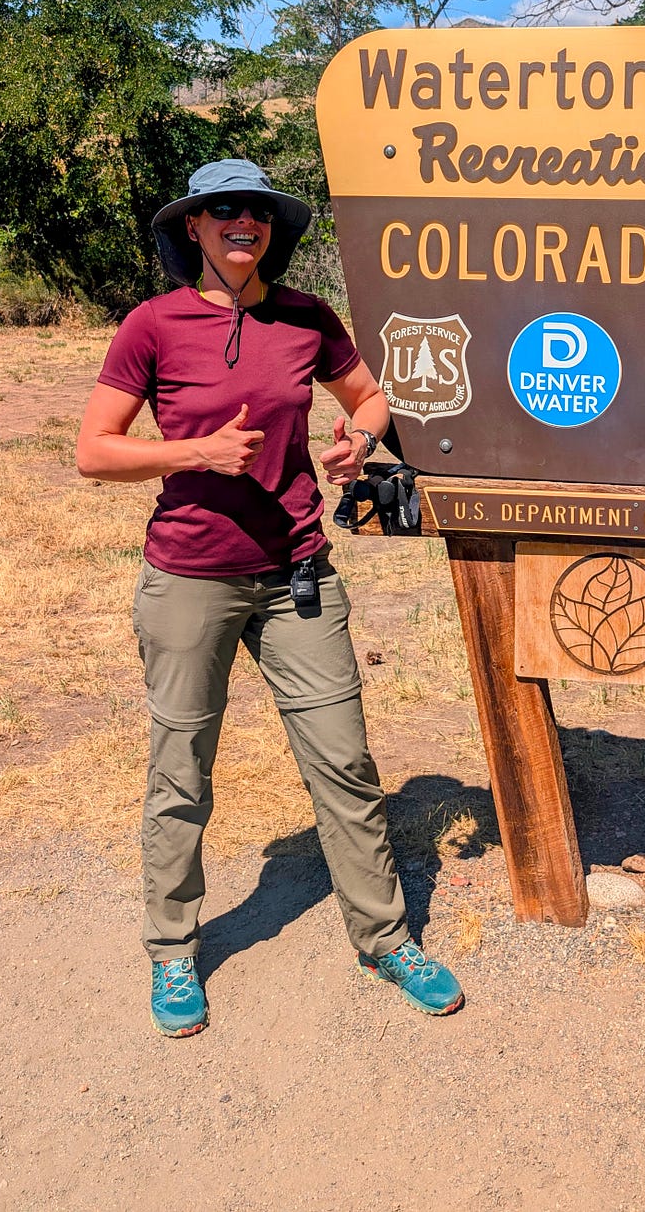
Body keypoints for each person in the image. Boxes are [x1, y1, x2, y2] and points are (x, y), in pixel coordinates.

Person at [75, 159, 463, 1036]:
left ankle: (384, 937)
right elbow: (95, 450)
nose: (241, 222)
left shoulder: (305, 317)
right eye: (221, 211)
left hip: (298, 572)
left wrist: (359, 441)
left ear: (270, 229)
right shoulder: (153, 324)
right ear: (193, 229)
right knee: (182, 767)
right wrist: (193, 454)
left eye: (255, 211)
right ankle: (173, 949)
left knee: (345, 761)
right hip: (190, 576)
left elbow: (370, 396)